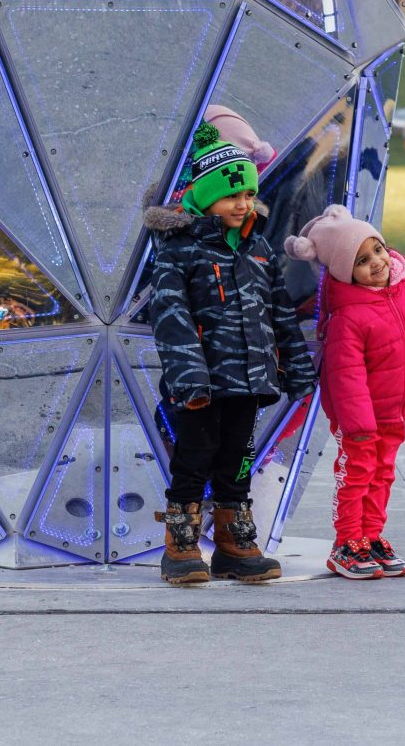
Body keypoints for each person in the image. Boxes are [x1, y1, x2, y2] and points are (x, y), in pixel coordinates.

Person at [141, 125, 318, 585]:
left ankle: (233, 545)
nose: (242, 204)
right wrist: (189, 378)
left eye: (248, 194)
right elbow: (172, 318)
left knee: (239, 460)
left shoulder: (258, 248)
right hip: (200, 385)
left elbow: (280, 312)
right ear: (205, 196)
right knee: (193, 458)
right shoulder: (179, 250)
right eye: (230, 195)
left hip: (250, 380)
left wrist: (297, 368)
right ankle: (180, 545)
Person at [287, 203, 405, 581]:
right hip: (360, 420)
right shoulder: (348, 316)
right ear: (345, 271)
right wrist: (358, 423)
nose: (377, 262)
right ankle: (347, 543)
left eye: (378, 250)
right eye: (362, 261)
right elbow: (345, 375)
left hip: (396, 410)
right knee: (357, 475)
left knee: (383, 474)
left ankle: (371, 535)